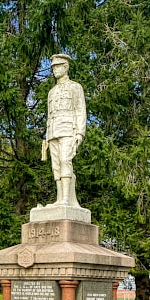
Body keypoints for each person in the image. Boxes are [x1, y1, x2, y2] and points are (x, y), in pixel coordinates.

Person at [42, 53, 86, 207]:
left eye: (57, 66)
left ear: (65, 67)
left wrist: (79, 133)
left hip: (68, 129)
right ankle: (59, 198)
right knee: (56, 165)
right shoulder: (52, 92)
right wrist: (47, 137)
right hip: (53, 132)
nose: (54, 70)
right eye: (53, 67)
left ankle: (66, 199)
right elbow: (49, 115)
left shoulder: (75, 87)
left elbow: (80, 110)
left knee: (65, 160)